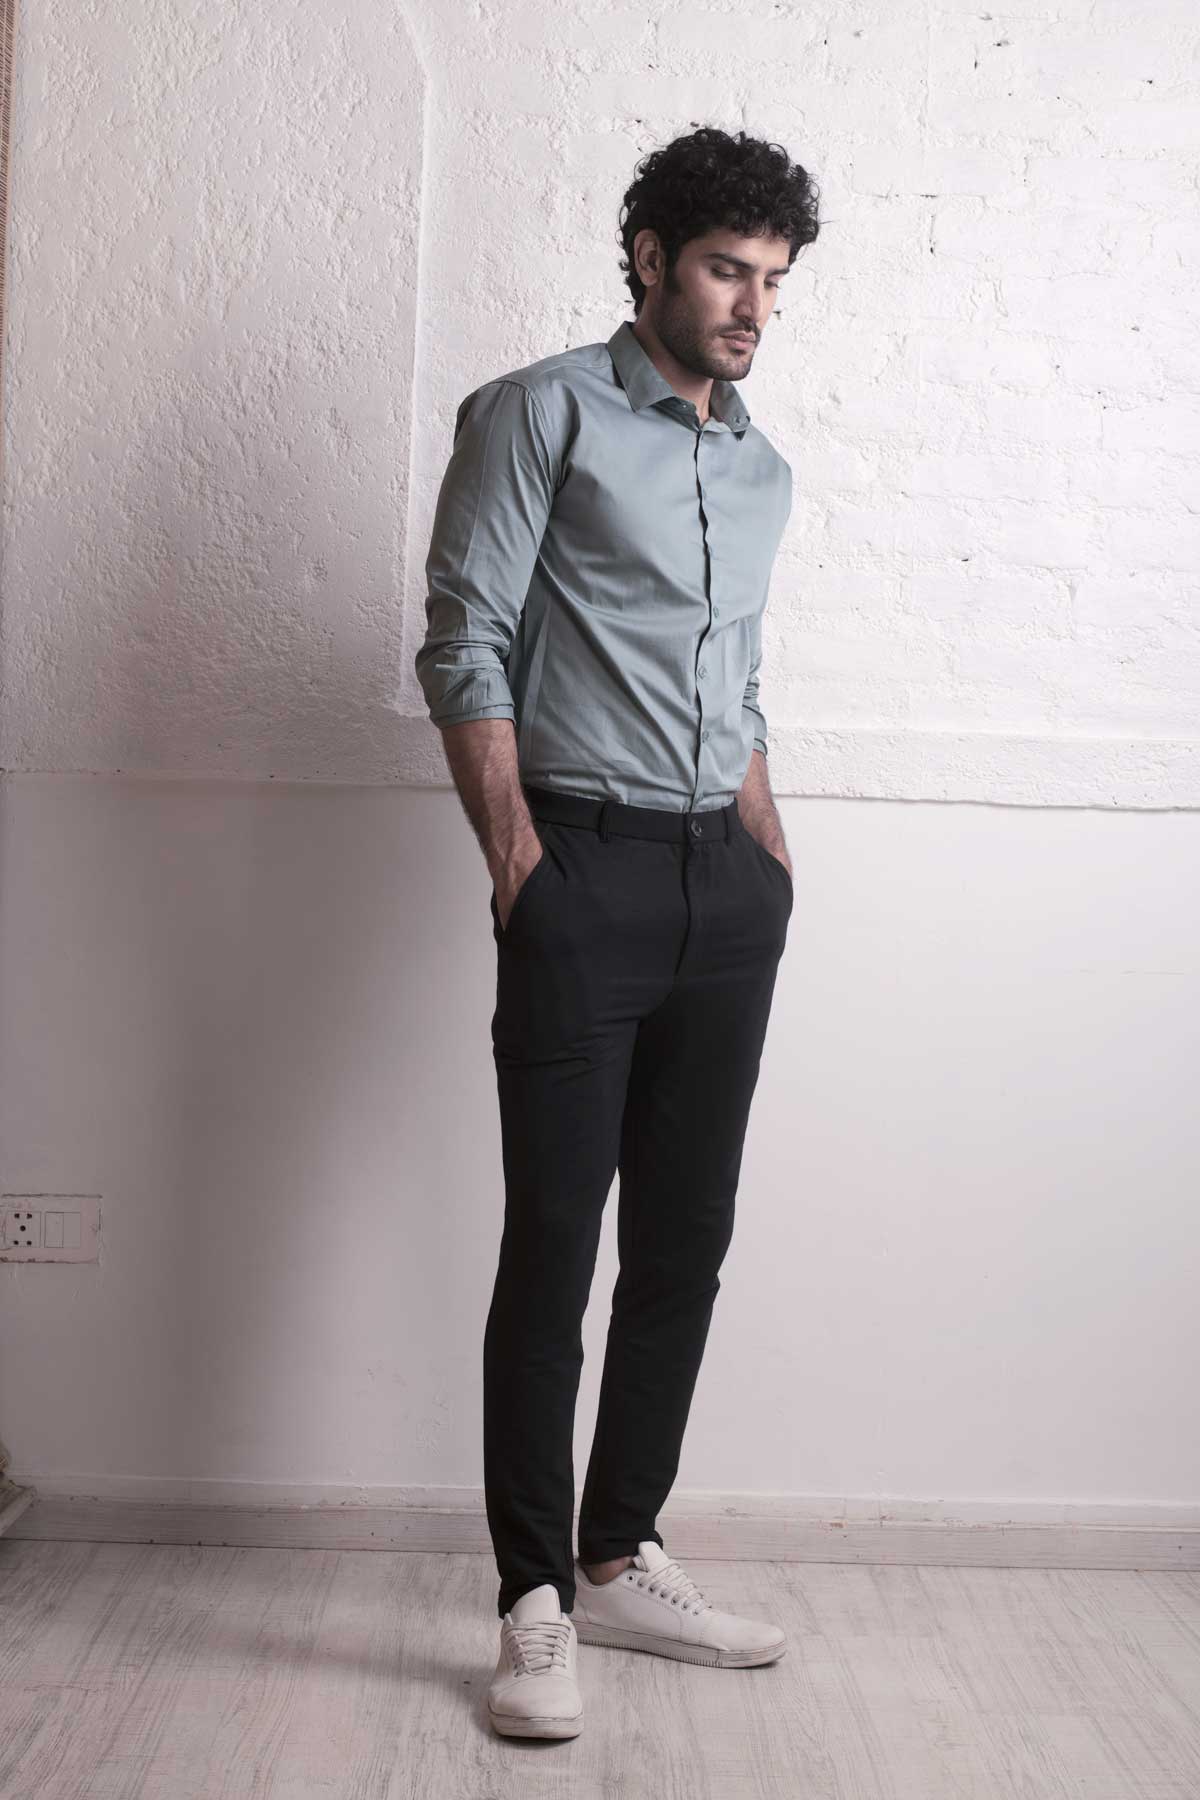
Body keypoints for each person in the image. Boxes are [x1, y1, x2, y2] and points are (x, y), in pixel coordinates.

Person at [414, 124, 821, 1740]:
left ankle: (618, 1549)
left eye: (774, 280)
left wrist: (766, 850)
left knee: (685, 1244)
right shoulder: (540, 413)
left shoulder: (763, 469)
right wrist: (521, 864)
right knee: (555, 1245)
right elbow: (464, 638)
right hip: (579, 869)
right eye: (726, 269)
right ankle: (531, 1601)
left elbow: (740, 678)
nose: (752, 307)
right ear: (649, 257)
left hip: (725, 887)